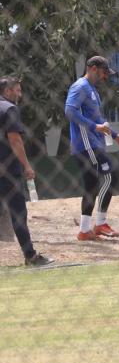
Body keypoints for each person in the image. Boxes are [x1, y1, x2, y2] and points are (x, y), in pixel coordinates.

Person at [66, 56, 119, 240]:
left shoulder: (92, 90)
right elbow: (70, 111)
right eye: (103, 72)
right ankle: (100, 223)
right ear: (93, 68)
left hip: (94, 142)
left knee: (91, 185)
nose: (105, 77)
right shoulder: (80, 87)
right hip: (86, 144)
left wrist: (115, 135)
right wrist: (95, 128)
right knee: (112, 175)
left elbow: (98, 119)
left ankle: (84, 230)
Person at [0, 78, 52, 267]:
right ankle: (30, 256)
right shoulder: (9, 109)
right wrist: (27, 166)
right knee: (18, 214)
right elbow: (15, 140)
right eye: (17, 91)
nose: (20, 95)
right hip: (7, 172)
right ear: (7, 91)